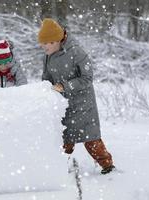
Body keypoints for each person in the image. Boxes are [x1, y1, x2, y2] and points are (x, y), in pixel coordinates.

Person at [38, 18, 115, 174]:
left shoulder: (76, 52)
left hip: (83, 104)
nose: (43, 46)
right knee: (63, 140)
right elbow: (46, 76)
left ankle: (107, 166)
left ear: (56, 41)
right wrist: (44, 88)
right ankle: (57, 169)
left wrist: (65, 86)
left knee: (91, 138)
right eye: (42, 43)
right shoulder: (47, 55)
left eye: (46, 43)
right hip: (62, 104)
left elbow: (87, 78)